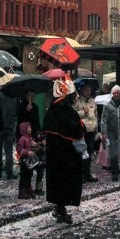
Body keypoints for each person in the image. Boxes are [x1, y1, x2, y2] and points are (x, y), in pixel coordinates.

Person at [43, 78, 86, 224]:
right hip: (67, 157)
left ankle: (60, 208)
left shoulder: (50, 112)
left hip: (54, 156)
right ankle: (60, 209)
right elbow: (78, 130)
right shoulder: (68, 113)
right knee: (65, 183)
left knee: (57, 183)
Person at [72, 80, 99, 182]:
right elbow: (74, 114)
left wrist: (96, 127)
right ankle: (81, 174)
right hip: (82, 130)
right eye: (86, 90)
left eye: (89, 90)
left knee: (89, 153)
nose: (88, 92)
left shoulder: (92, 101)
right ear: (82, 91)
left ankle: (87, 173)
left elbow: (95, 115)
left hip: (91, 130)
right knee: (81, 152)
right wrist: (83, 112)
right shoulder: (77, 101)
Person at [0, 86, 19, 180]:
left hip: (0, 125)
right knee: (8, 150)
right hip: (10, 126)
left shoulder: (0, 94)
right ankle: (9, 172)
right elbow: (15, 112)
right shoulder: (14, 97)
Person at [16, 122, 45, 199]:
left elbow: (36, 148)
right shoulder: (22, 139)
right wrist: (27, 152)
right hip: (25, 161)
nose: (30, 129)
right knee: (24, 176)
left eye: (30, 128)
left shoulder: (30, 138)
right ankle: (22, 191)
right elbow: (19, 150)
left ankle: (28, 189)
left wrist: (36, 145)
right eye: (28, 128)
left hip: (30, 161)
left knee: (29, 175)